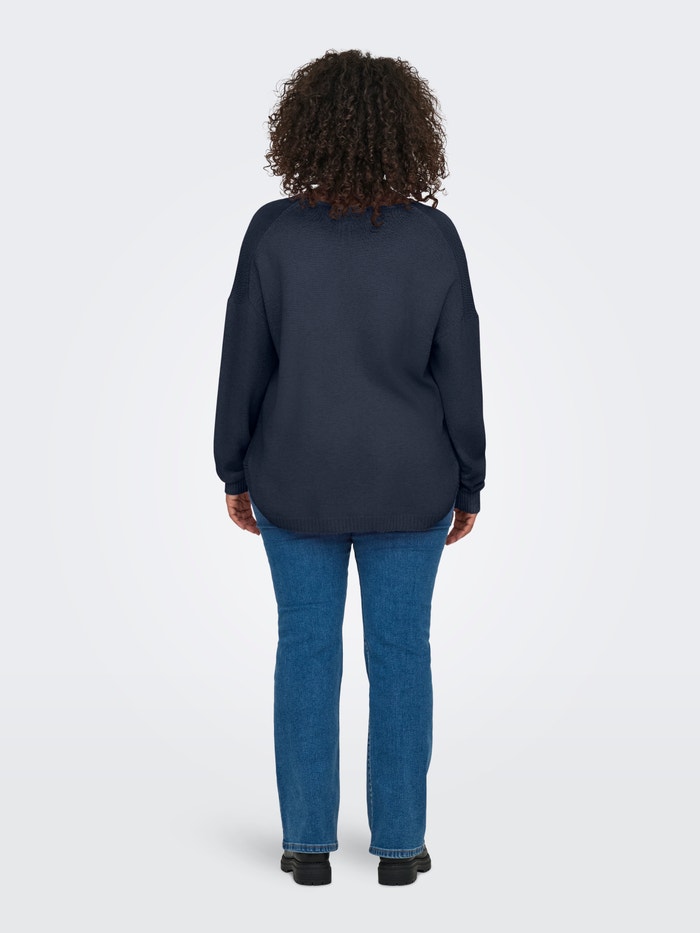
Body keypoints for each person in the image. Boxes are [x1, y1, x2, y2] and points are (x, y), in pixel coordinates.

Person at [213, 48, 486, 886]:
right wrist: (469, 480)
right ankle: (400, 848)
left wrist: (233, 469)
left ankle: (306, 846)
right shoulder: (433, 237)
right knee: (402, 653)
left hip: (294, 475)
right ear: (410, 132)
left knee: (305, 647)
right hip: (411, 482)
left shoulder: (273, 231)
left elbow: (243, 359)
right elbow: (460, 370)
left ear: (303, 128)